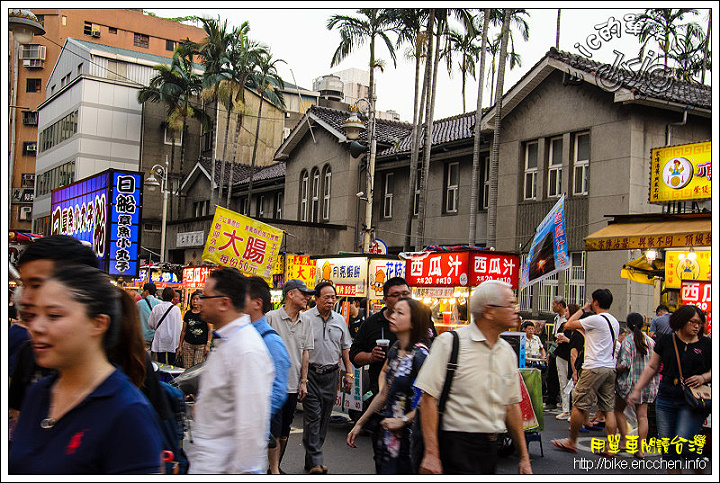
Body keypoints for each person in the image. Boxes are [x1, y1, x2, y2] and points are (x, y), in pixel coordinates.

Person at [9, 265, 163, 474]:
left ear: (98, 323)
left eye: (54, 315)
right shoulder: (38, 394)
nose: (37, 327)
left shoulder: (127, 411)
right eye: (34, 315)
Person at [414, 280, 532, 474]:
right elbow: (428, 400)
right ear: (489, 311)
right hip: (454, 447)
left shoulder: (506, 352)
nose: (516, 310)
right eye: (510, 304)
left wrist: (524, 458)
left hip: (490, 449)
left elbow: (511, 407)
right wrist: (432, 454)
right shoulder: (450, 343)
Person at [186, 268, 274, 474]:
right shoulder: (227, 341)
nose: (199, 302)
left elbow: (251, 427)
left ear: (224, 303)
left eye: (205, 297)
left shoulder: (247, 349)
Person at [347, 297, 431, 473]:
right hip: (389, 437)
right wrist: (360, 423)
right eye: (394, 312)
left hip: (411, 439)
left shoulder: (420, 355)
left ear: (414, 322)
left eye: (400, 313)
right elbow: (384, 392)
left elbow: (429, 401)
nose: (393, 316)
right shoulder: (395, 350)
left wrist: (403, 420)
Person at [628, 305, 711, 472]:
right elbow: (652, 367)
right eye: (692, 322)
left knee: (684, 443)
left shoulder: (707, 344)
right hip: (666, 397)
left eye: (699, 323)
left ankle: (701, 471)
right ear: (681, 321)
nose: (696, 326)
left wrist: (703, 377)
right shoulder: (666, 341)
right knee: (669, 451)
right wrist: (637, 389)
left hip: (693, 399)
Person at [552, 289, 620, 456]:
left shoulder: (595, 319)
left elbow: (568, 324)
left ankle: (571, 441)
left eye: (592, 301)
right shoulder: (614, 321)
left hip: (593, 367)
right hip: (609, 368)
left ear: (595, 302)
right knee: (608, 409)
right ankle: (611, 447)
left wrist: (583, 309)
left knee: (579, 404)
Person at [302, 282, 353, 474]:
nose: (331, 300)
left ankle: (311, 458)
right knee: (313, 417)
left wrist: (349, 373)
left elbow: (345, 348)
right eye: (326, 297)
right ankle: (317, 460)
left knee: (323, 420)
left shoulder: (340, 320)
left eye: (333, 297)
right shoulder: (305, 318)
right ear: (316, 299)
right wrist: (302, 379)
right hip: (311, 375)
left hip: (332, 375)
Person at [266, 279, 315, 474]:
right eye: (303, 293)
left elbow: (305, 353)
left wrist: (304, 381)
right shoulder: (270, 318)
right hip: (273, 385)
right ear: (290, 294)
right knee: (274, 429)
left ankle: (274, 467)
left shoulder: (307, 321)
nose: (307, 297)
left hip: (294, 385)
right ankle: (274, 470)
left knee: (285, 430)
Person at [245, 276, 291, 473]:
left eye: (242, 298)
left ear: (257, 304)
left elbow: (278, 389)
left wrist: (251, 420)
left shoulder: (271, 341)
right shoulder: (241, 334)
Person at [350, 277, 409, 407]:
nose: (402, 298)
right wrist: (370, 357)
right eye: (395, 295)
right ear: (385, 300)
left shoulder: (421, 320)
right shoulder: (371, 323)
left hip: (410, 394)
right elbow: (353, 355)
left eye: (405, 294)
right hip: (378, 392)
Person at [614, 313, 659, 458]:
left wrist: (614, 369)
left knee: (618, 410)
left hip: (630, 384)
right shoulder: (651, 342)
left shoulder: (628, 340)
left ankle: (624, 442)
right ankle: (640, 450)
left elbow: (625, 364)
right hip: (648, 384)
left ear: (628, 325)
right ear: (643, 324)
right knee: (642, 417)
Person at [176, 290, 211, 368]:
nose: (195, 301)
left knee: (196, 368)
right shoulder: (188, 314)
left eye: (197, 299)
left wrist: (208, 344)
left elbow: (210, 330)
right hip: (188, 344)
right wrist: (180, 346)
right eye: (193, 299)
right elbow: (184, 331)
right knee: (187, 369)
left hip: (201, 346)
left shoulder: (205, 314)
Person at [148, 287, 183, 365]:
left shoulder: (156, 308)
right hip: (172, 340)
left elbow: (150, 323)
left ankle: (162, 376)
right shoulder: (176, 309)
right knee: (172, 362)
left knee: (161, 362)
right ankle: (170, 376)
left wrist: (156, 327)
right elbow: (180, 326)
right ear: (173, 297)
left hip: (160, 338)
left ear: (163, 295)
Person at [137, 283, 162, 351]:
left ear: (146, 291)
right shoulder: (160, 303)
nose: (142, 293)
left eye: (143, 291)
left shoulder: (139, 304)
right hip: (156, 336)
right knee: (155, 359)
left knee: (145, 357)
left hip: (143, 336)